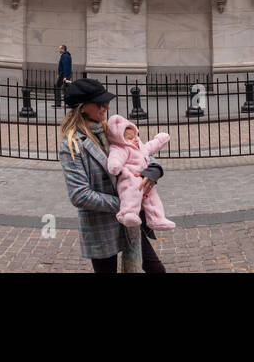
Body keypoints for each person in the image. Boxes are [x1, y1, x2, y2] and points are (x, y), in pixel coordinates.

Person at [58, 78, 166, 273]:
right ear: (82, 108)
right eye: (99, 103)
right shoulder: (72, 145)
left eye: (106, 102)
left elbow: (142, 152)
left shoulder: (112, 130)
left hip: (130, 225)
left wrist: (154, 171)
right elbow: (79, 195)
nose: (106, 108)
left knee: (156, 269)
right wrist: (125, 204)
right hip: (101, 227)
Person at [105, 115, 175, 230]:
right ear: (120, 139)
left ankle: (157, 219)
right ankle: (128, 214)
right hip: (130, 177)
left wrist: (160, 140)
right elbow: (116, 157)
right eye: (129, 138)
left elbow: (150, 147)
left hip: (143, 176)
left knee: (152, 198)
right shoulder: (121, 148)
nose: (134, 140)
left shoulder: (139, 146)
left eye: (134, 136)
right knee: (131, 194)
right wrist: (115, 165)